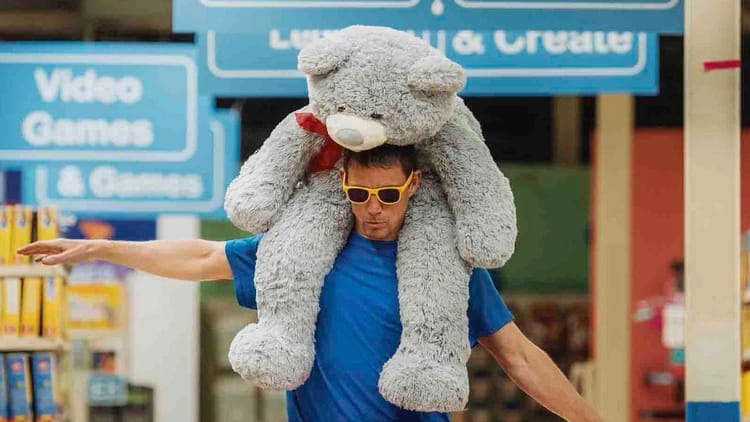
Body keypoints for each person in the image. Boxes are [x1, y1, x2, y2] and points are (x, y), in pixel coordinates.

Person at [18, 144, 602, 422]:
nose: (373, 208)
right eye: (359, 193)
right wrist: (103, 248)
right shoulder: (302, 254)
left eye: (388, 194)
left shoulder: (449, 270)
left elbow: (518, 356)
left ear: (415, 186)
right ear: (342, 184)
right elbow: (201, 257)